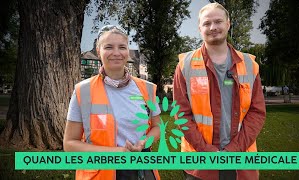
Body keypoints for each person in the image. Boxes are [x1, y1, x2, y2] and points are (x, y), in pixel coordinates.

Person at [173, 2, 266, 180]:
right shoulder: (185, 65)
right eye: (207, 23)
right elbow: (182, 114)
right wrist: (207, 151)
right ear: (199, 28)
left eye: (218, 21)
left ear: (228, 24)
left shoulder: (249, 65)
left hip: (241, 160)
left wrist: (233, 150)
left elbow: (257, 113)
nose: (213, 27)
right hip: (199, 163)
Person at [63, 25, 161, 180]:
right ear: (98, 50)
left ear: (128, 50)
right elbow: (69, 144)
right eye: (109, 47)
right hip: (101, 173)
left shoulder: (147, 89)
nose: (116, 53)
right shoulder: (83, 91)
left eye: (122, 47)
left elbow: (157, 127)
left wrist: (144, 142)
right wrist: (114, 153)